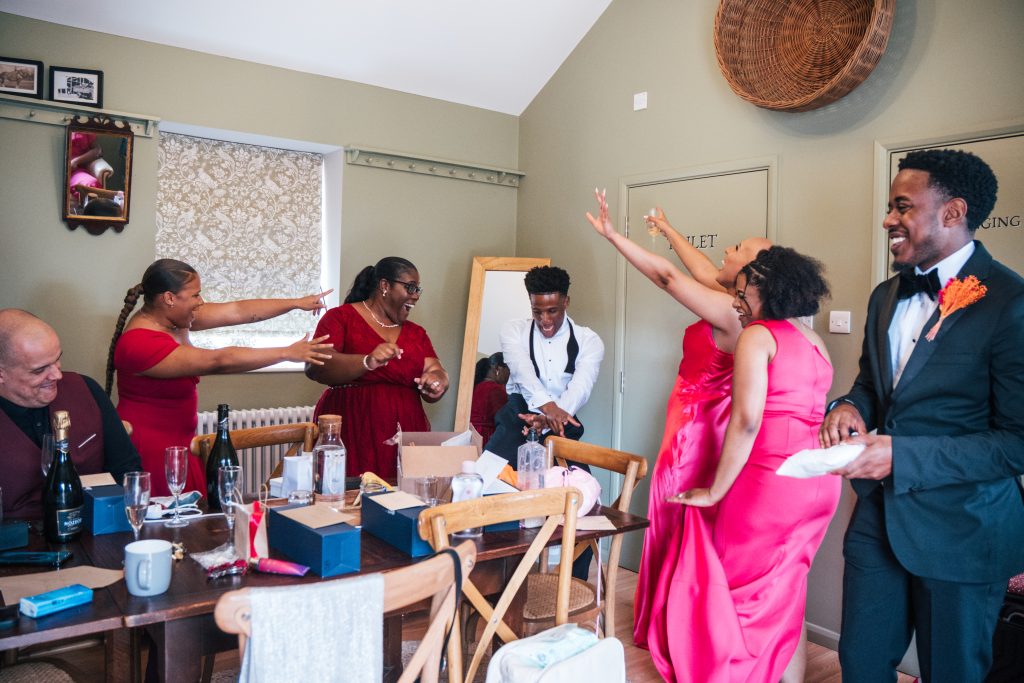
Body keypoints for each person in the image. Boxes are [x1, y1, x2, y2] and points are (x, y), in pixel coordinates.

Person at [819, 149, 1024, 682]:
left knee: (951, 672)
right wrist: (847, 407)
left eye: (902, 206)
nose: (888, 219)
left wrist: (901, 456)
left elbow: (1017, 442)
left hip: (965, 531)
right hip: (878, 521)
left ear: (952, 213)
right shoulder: (885, 295)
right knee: (860, 664)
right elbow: (873, 383)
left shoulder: (1011, 302)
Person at [584, 188, 773, 663]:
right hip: (708, 428)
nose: (726, 252)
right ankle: (680, 620)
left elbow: (669, 277)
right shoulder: (740, 302)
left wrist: (612, 236)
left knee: (673, 520)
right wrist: (668, 229)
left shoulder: (730, 312)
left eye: (738, 250)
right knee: (687, 525)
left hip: (693, 432)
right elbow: (701, 270)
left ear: (751, 275)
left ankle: (672, 625)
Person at [664, 246, 836, 683]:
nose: (736, 302)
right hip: (819, 483)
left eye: (742, 293)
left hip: (771, 481)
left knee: (738, 590)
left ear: (768, 291)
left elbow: (746, 421)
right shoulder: (813, 339)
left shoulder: (758, 336)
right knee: (785, 591)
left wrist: (714, 490)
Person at [106, 259, 333, 497]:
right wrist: (286, 352)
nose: (200, 302)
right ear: (169, 298)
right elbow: (219, 361)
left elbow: (237, 311)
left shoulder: (176, 319)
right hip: (150, 447)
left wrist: (296, 303)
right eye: (195, 295)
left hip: (182, 441)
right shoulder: (138, 343)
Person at [306, 257, 449, 478]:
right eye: (410, 287)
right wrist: (367, 361)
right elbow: (316, 366)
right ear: (384, 285)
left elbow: (434, 368)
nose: (416, 295)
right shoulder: (340, 317)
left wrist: (437, 381)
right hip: (354, 426)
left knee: (403, 499)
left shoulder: (416, 332)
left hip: (405, 432)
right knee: (348, 496)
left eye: (418, 289)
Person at [0, 309, 140, 518]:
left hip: (98, 528)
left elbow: (128, 469)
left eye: (57, 359)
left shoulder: (85, 389)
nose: (57, 375)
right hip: (19, 544)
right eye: (40, 370)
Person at [470, 352, 509, 443]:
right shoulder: (496, 389)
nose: (509, 375)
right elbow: (503, 417)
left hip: (471, 432)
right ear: (498, 368)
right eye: (509, 370)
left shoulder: (477, 385)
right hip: (486, 436)